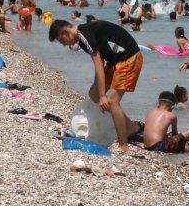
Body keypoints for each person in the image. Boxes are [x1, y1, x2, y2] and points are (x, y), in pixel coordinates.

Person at [49, 18, 143, 151]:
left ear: (65, 33)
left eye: (61, 41)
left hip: (129, 58)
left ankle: (123, 145)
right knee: (94, 94)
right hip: (114, 62)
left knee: (110, 100)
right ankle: (132, 127)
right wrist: (99, 90)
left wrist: (103, 95)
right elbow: (101, 62)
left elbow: (98, 64)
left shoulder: (84, 35)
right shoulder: (82, 38)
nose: (64, 45)